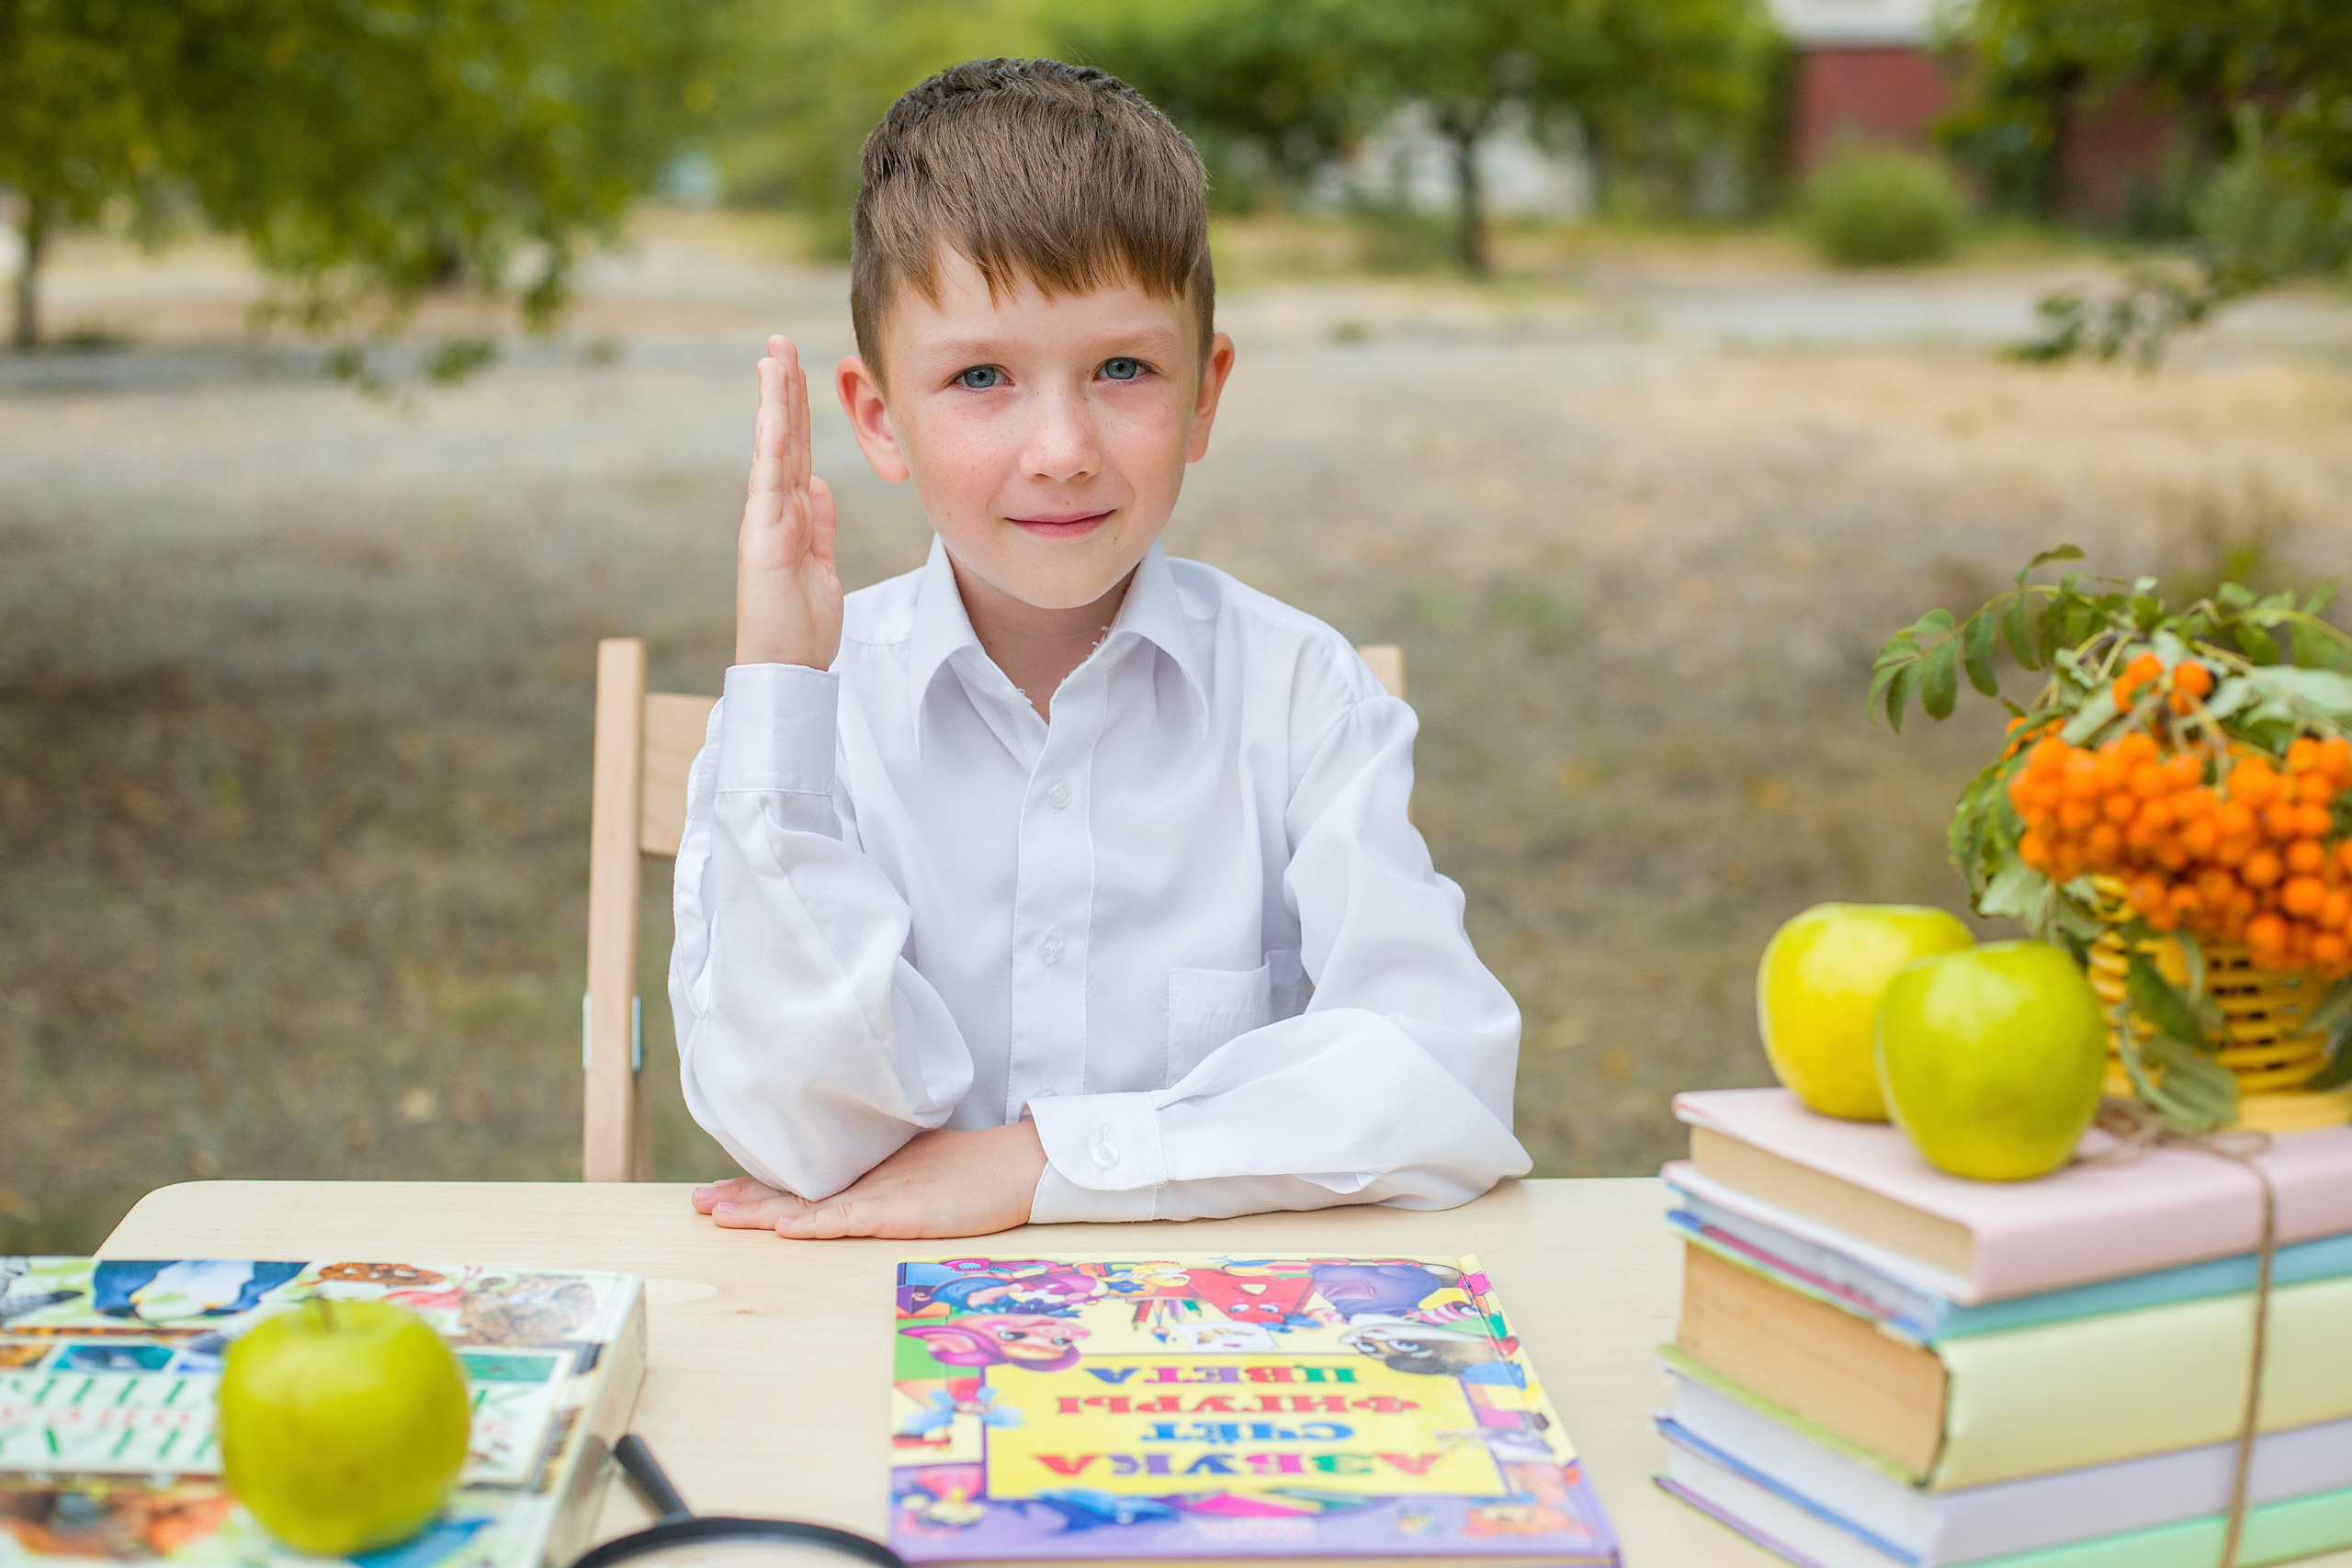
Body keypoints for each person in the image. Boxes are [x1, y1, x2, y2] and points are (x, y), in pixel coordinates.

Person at [673, 58, 1529, 1240]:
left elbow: (1444, 1075)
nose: (1062, 447)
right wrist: (780, 689)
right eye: (982, 378)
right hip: (871, 1333)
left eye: (1121, 369)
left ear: (1203, 394)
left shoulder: (1296, 696)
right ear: (878, 418)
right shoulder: (809, 714)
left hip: (1227, 1343)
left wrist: (1040, 1165)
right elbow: (805, 1140)